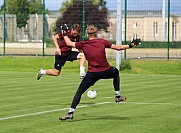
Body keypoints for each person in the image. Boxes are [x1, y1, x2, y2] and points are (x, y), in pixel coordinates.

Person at [59, 25, 141, 121]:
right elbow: (118, 47)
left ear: (86, 34)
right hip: (106, 71)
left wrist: (64, 33)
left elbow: (68, 43)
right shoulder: (102, 41)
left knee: (79, 92)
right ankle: (117, 96)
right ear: (96, 34)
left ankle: (70, 112)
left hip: (92, 74)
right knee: (116, 72)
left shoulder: (83, 44)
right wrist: (130, 45)